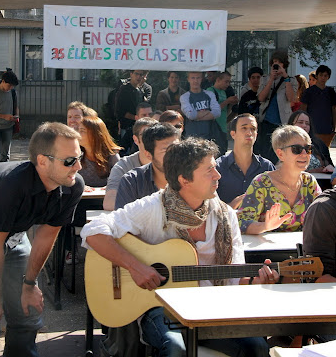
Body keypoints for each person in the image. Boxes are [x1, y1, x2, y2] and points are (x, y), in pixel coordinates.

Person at [81, 137, 278, 357]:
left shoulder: (225, 215)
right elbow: (93, 230)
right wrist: (136, 267)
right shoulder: (154, 207)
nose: (218, 175)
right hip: (159, 306)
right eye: (209, 171)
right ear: (184, 179)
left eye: (216, 168)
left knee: (258, 347)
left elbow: (234, 277)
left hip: (211, 307)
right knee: (175, 349)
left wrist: (254, 281)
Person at [0, 122, 84, 356]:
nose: (79, 166)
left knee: (27, 310)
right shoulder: (9, 185)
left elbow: (46, 236)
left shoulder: (72, 186)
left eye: (79, 156)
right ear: (43, 161)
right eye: (70, 160)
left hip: (12, 236)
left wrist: (29, 284)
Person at [238, 125, 322, 234]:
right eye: (297, 149)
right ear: (280, 154)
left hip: (301, 248)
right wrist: (265, 226)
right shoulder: (262, 183)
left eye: (308, 149)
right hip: (268, 249)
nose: (304, 154)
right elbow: (241, 223)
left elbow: (323, 214)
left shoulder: (309, 181)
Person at [65, 116, 122, 264]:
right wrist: (80, 185)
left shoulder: (111, 155)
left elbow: (120, 179)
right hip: (80, 204)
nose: (78, 133)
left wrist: (109, 187)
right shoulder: (75, 154)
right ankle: (69, 250)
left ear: (95, 134)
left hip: (105, 205)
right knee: (66, 212)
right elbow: (65, 178)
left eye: (82, 131)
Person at [115, 123, 180, 209]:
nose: (173, 155)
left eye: (177, 148)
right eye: (165, 151)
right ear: (149, 155)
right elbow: (123, 220)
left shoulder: (194, 176)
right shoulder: (132, 181)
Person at [216, 114, 275, 209]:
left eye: (253, 129)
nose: (249, 132)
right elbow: (211, 209)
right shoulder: (218, 167)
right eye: (244, 128)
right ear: (233, 134)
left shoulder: (266, 167)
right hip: (227, 222)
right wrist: (234, 204)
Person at [103, 118, 158, 211]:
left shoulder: (170, 164)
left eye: (156, 136)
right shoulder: (123, 166)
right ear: (136, 140)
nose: (151, 140)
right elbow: (109, 202)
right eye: (146, 135)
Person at [257, 50, 298, 163]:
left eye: (280, 63)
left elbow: (291, 98)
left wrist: (286, 78)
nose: (277, 65)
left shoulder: (291, 80)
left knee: (281, 152)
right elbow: (261, 98)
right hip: (266, 120)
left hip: (282, 122)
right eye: (275, 62)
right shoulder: (265, 79)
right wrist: (271, 79)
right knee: (265, 152)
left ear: (284, 65)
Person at [301, 64, 336, 147]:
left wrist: (334, 126)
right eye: (321, 75)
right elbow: (303, 109)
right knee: (311, 151)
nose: (323, 78)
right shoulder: (309, 92)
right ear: (317, 76)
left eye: (325, 75)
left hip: (326, 127)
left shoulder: (331, 92)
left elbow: (334, 109)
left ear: (328, 77)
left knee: (324, 152)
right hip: (312, 127)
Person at [180, 71, 221, 139]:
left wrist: (197, 117)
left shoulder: (209, 94)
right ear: (188, 79)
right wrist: (207, 112)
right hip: (191, 136)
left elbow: (217, 112)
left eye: (198, 78)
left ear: (201, 79)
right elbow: (191, 115)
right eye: (193, 78)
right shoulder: (184, 97)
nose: (195, 81)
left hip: (209, 136)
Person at [207, 71, 238, 155]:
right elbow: (212, 110)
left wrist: (231, 104)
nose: (227, 84)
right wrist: (227, 101)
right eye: (226, 81)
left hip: (223, 126)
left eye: (229, 82)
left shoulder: (224, 93)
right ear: (218, 80)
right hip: (214, 127)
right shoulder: (210, 91)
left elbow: (225, 111)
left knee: (223, 152)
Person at [0, 70, 19, 164]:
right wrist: (4, 116)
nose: (10, 88)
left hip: (8, 126)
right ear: (3, 81)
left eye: (12, 86)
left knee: (5, 154)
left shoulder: (12, 92)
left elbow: (15, 106)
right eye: (9, 85)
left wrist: (16, 116)